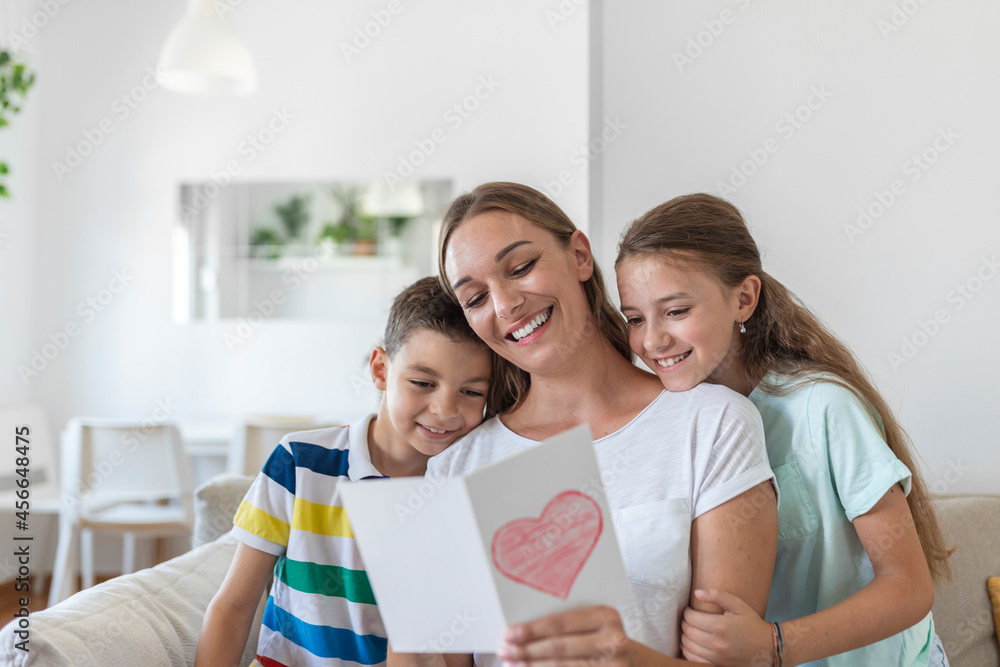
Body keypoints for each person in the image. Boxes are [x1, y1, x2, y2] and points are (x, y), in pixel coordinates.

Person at [422, 182, 778, 667]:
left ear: (580, 257)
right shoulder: (455, 469)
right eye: (475, 298)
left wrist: (622, 656)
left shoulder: (711, 425)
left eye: (522, 267)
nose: (505, 305)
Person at [614, 193, 952, 667]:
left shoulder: (823, 407)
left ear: (744, 298)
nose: (651, 340)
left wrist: (773, 645)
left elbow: (909, 587)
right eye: (634, 319)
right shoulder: (674, 424)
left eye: (676, 311)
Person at [194, 276, 496, 667]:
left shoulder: (469, 492)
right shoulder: (300, 462)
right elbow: (233, 606)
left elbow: (457, 654)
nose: (444, 410)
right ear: (381, 369)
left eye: (472, 392)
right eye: (422, 383)